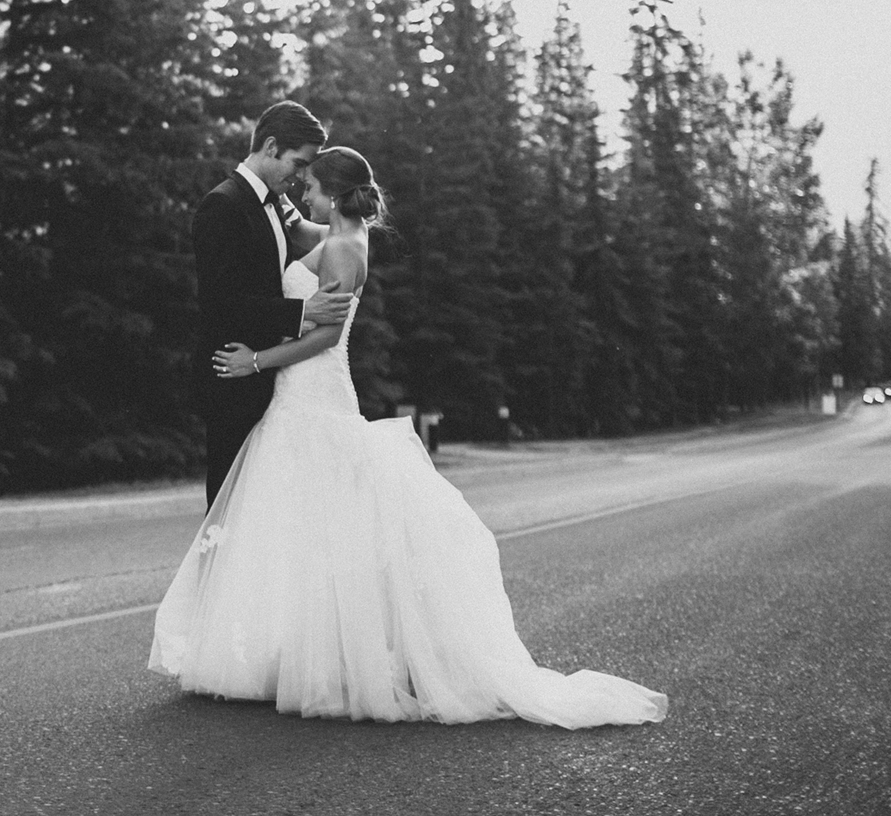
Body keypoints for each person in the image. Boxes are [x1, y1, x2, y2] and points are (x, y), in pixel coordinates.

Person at [151, 145, 669, 728]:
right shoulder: (338, 234)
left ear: (337, 194)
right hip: (297, 394)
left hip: (314, 385)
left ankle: (323, 656)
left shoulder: (347, 249)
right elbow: (293, 231)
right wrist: (272, 199)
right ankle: (284, 652)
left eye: (314, 187)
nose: (305, 194)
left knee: (313, 520)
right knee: (297, 523)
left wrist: (257, 361)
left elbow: (324, 335)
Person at [190, 101, 355, 506]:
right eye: (298, 164)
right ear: (270, 146)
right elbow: (220, 304)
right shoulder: (223, 205)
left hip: (275, 384)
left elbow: (336, 235)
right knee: (230, 512)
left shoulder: (275, 206)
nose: (301, 178)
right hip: (235, 382)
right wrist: (304, 312)